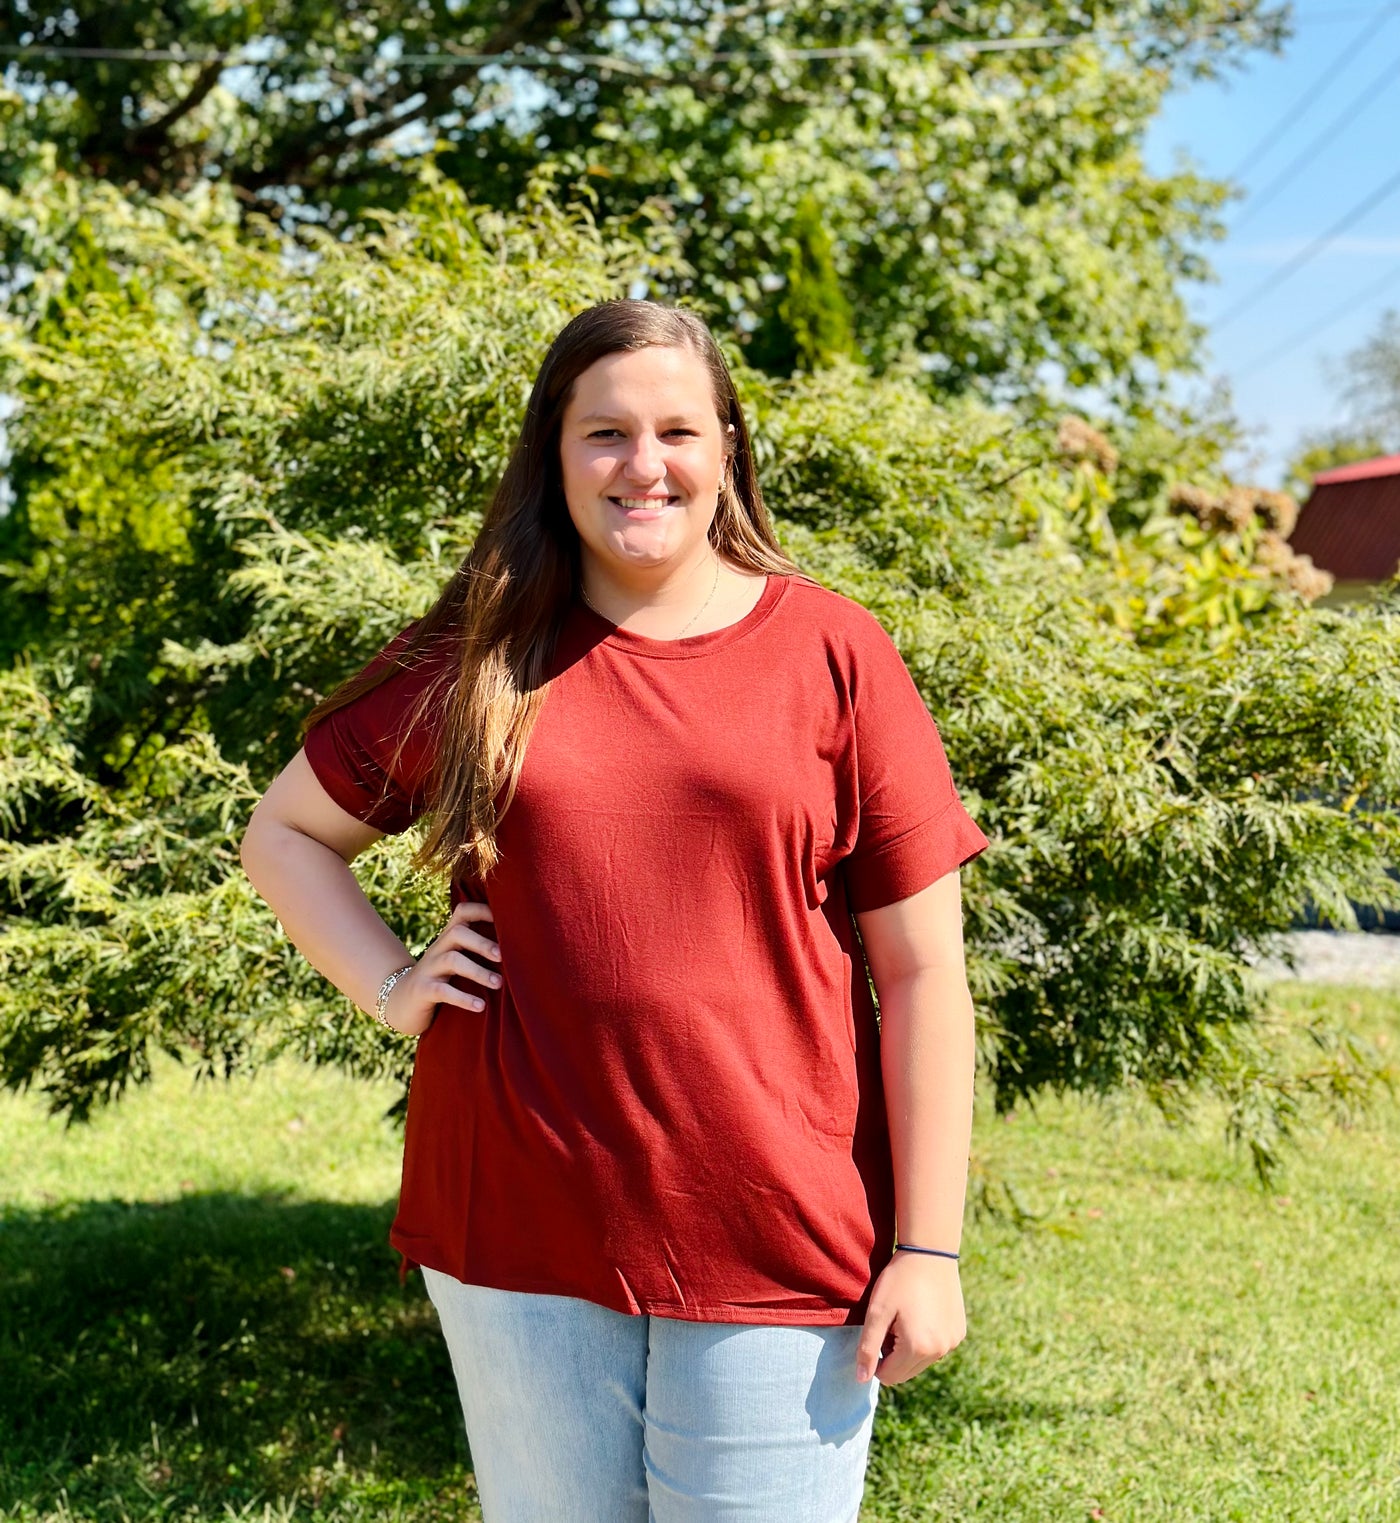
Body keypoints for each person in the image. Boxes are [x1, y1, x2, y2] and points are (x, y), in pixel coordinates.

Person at [238, 298, 990, 1523]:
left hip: (779, 1225)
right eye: (605, 433)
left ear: (727, 450)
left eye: (677, 430)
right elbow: (286, 834)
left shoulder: (834, 650)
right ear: (554, 454)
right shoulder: (481, 654)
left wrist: (928, 1249)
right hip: (515, 1225)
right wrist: (389, 982)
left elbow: (920, 975)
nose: (644, 465)